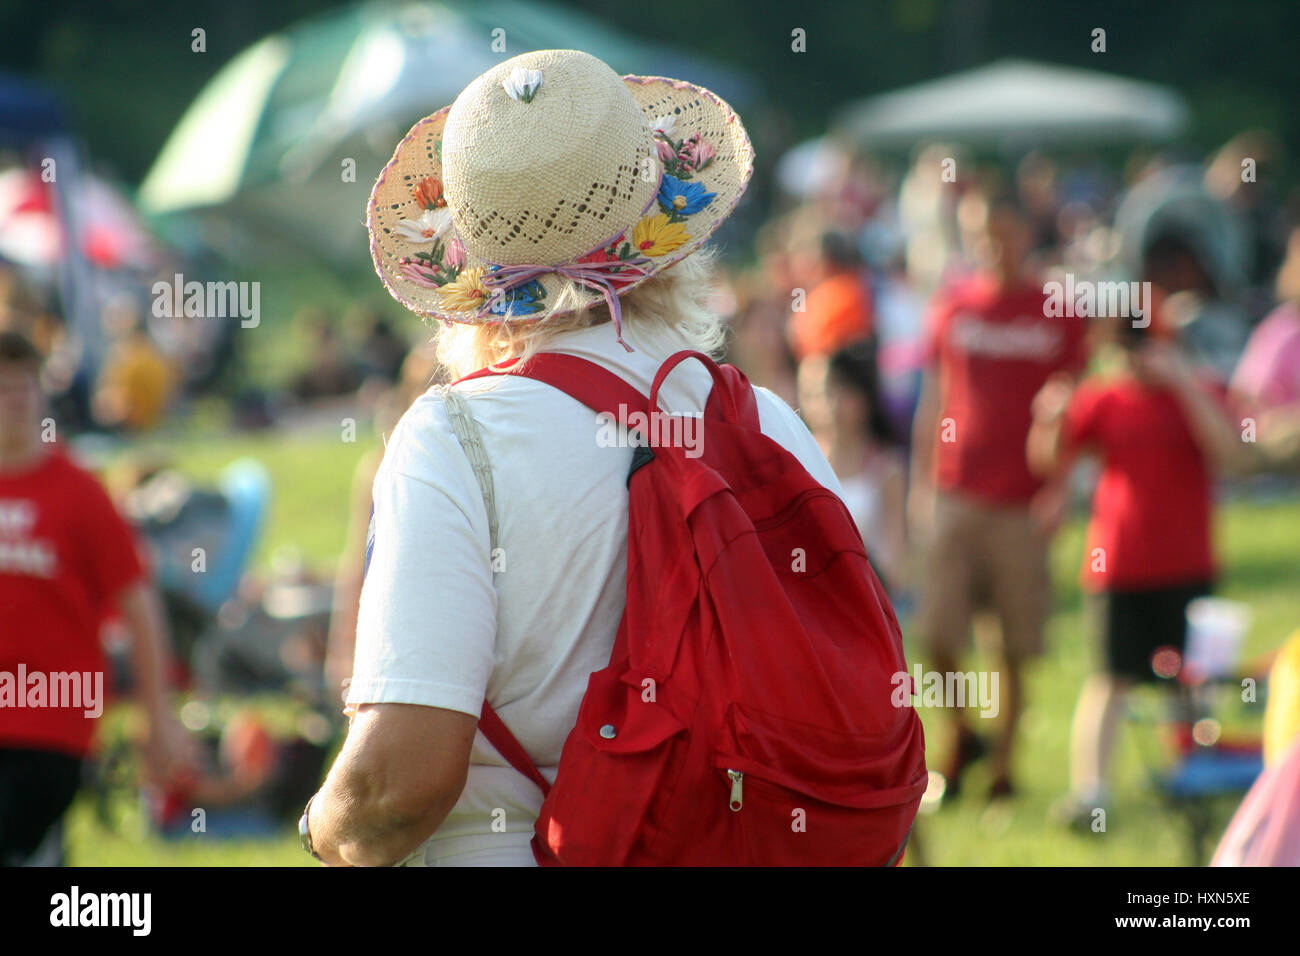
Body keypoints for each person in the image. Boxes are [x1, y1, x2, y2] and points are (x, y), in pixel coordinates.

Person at [304, 50, 854, 867]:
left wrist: (319, 827)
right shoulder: (765, 422)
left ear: (470, 262)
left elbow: (402, 782)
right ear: (662, 222)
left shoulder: (451, 440)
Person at [1026, 320, 1251, 825]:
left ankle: (1193, 779)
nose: (1132, 361)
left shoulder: (1201, 390)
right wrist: (1049, 420)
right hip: (1119, 565)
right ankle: (1093, 795)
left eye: (1140, 346)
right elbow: (1048, 462)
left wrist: (1183, 382)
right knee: (1112, 679)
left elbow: (1233, 453)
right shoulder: (1104, 399)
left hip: (1187, 564)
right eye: (1122, 350)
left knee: (1191, 682)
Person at [908, 184, 1088, 802]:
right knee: (937, 631)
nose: (992, 246)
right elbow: (934, 398)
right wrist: (920, 484)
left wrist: (1062, 487)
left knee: (1013, 643)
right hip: (956, 491)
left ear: (1024, 232)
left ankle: (1004, 771)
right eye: (980, 233)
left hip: (1023, 498)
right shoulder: (954, 306)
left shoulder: (1057, 310)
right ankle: (962, 734)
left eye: (1003, 232)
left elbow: (1077, 408)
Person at [0, 330, 195, 865]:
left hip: (51, 715)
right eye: (1, 388)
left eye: (22, 387)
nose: (13, 402)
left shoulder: (79, 493)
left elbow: (139, 604)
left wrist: (156, 714)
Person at [798, 342, 906, 593]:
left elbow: (893, 562)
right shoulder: (796, 462)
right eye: (818, 393)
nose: (831, 404)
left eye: (843, 391)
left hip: (866, 596)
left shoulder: (887, 468)